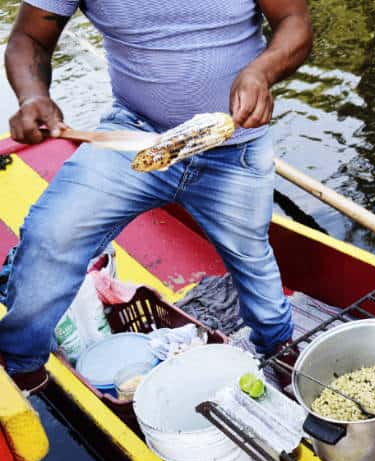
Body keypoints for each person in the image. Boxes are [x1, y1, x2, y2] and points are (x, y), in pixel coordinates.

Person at [2, 0, 313, 392]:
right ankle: (22, 367)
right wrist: (32, 96)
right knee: (52, 233)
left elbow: (294, 21)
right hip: (134, 135)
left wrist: (260, 72)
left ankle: (278, 349)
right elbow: (28, 37)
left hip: (234, 146)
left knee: (251, 258)